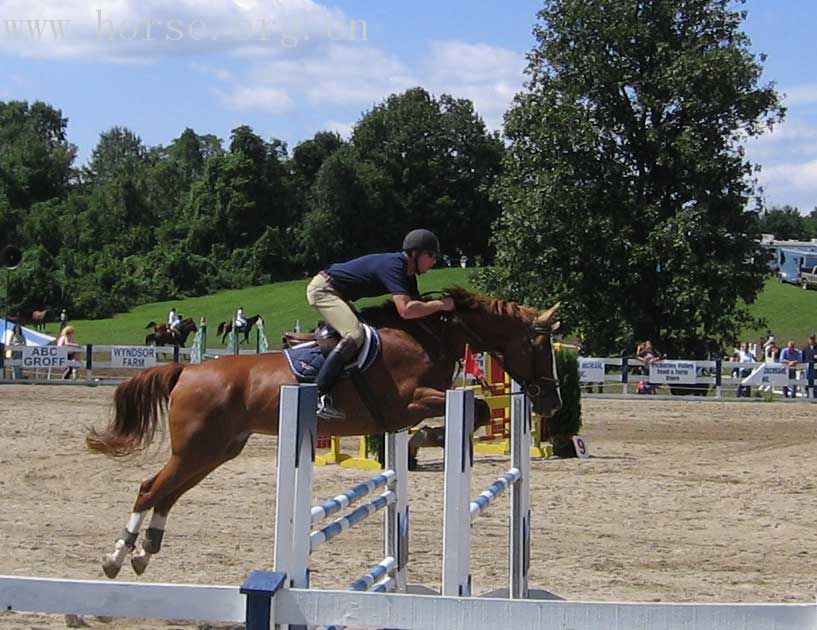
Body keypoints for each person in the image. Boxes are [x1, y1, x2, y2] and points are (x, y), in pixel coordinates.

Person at [306, 228, 455, 419]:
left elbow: (418, 312)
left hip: (339, 294)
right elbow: (406, 310)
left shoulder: (408, 274)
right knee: (355, 335)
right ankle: (318, 395)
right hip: (324, 290)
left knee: (369, 331)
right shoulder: (395, 266)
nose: (434, 260)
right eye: (431, 255)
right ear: (415, 253)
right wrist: (441, 304)